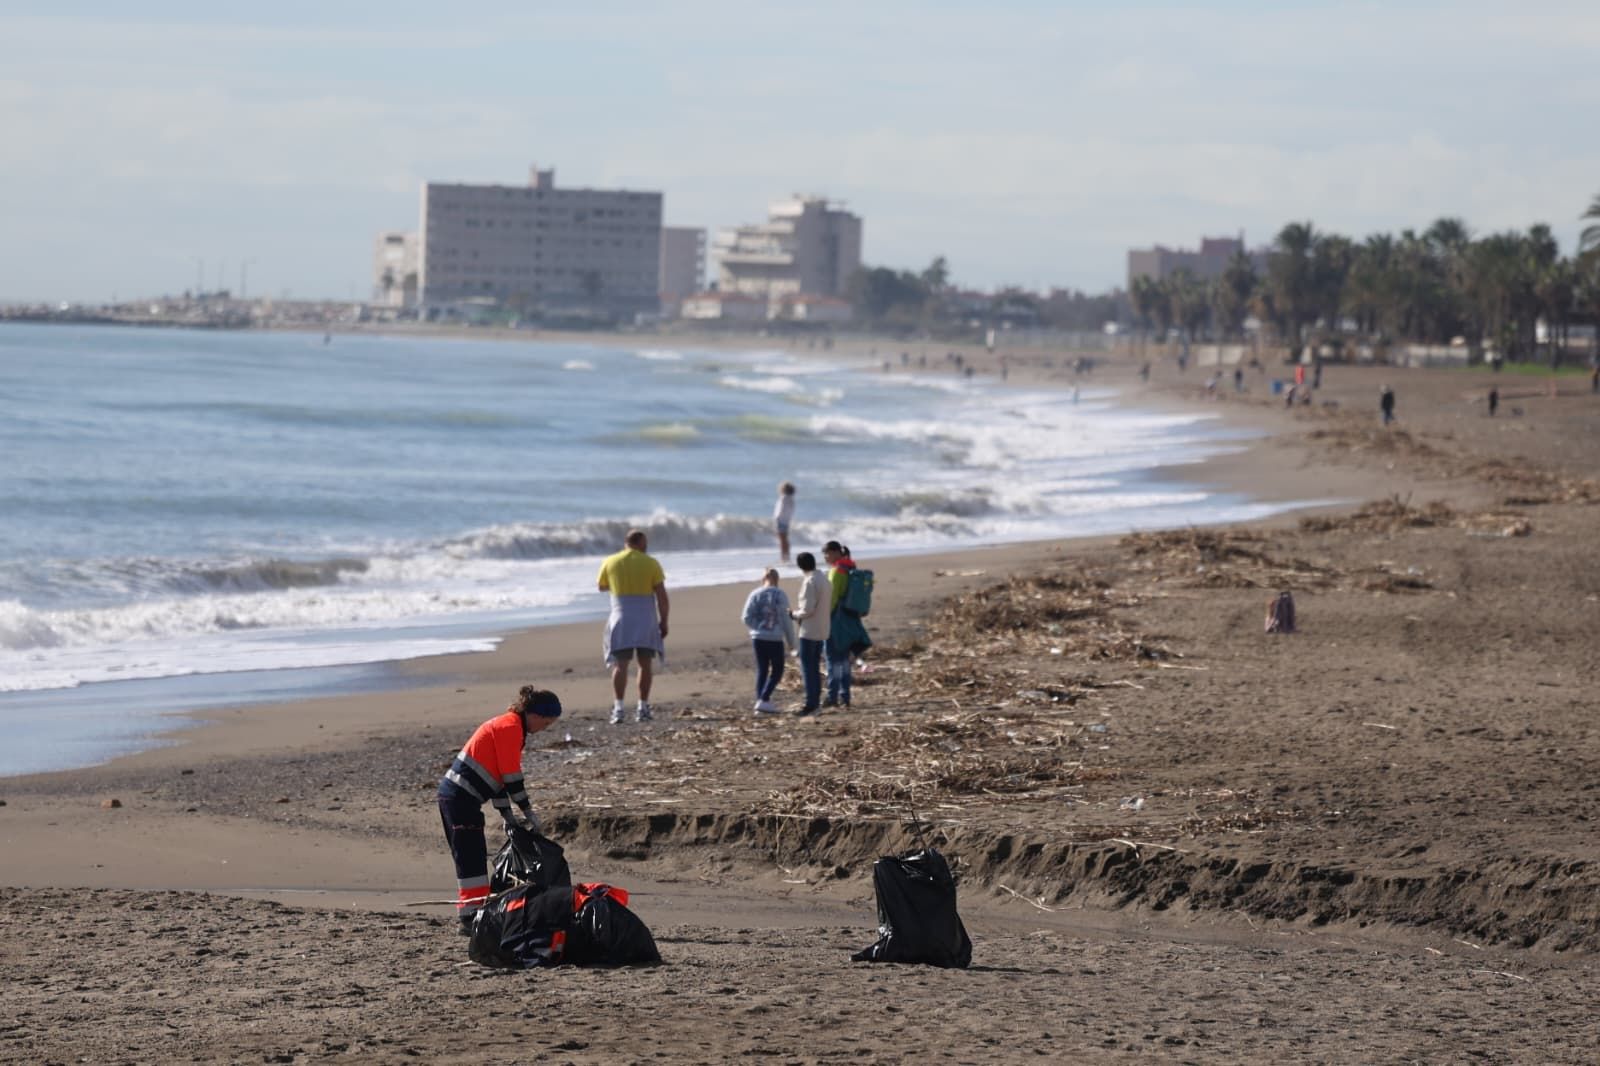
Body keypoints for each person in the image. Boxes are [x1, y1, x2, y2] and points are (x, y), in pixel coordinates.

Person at [437, 685, 563, 933]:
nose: (544, 730)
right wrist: (527, 812)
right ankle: (471, 919)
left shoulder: (509, 725)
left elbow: (498, 783)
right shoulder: (510, 728)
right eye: (546, 724)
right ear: (535, 715)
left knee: (471, 856)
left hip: (459, 799)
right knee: (470, 859)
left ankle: (474, 914)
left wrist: (508, 817)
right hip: (459, 800)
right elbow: (512, 777)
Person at [597, 529, 668, 724]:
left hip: (621, 617)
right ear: (640, 543)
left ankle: (619, 708)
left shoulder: (610, 562)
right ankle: (642, 707)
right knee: (645, 664)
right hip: (646, 619)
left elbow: (601, 586)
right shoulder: (651, 563)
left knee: (620, 665)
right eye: (645, 543)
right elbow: (662, 596)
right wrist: (665, 621)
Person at [741, 568, 796, 715]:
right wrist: (792, 642)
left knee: (762, 669)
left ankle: (761, 702)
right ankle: (764, 699)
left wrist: (757, 628)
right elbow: (786, 620)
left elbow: (746, 617)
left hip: (758, 637)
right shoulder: (781, 594)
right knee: (777, 670)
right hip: (775, 637)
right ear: (777, 579)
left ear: (762, 579)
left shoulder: (754, 594)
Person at [790, 551, 829, 716]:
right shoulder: (824, 579)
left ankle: (810, 703)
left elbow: (807, 610)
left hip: (809, 630)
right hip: (822, 628)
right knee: (814, 667)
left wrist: (793, 614)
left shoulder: (810, 581)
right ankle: (815, 702)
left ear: (800, 566)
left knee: (808, 669)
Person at [822, 541, 859, 708]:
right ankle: (845, 696)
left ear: (836, 552)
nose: (825, 557)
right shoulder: (851, 568)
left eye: (827, 553)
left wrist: (823, 618)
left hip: (835, 620)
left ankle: (833, 696)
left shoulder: (836, 572)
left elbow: (832, 599)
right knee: (844, 660)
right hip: (850, 619)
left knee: (832, 659)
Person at [773, 481, 796, 563]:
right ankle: (786, 556)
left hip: (781, 520)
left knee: (782, 540)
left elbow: (780, 509)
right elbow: (791, 511)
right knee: (785, 539)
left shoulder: (783, 498)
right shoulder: (791, 499)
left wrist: (777, 518)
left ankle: (783, 557)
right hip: (786, 520)